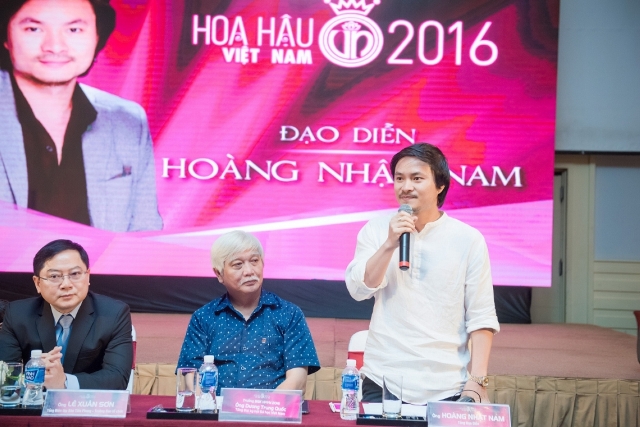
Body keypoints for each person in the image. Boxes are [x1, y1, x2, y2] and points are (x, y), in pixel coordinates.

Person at [345, 143, 500, 404]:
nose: (406, 187)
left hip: (447, 384)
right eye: (399, 178)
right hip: (383, 378)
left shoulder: (468, 239)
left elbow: (481, 315)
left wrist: (477, 380)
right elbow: (359, 289)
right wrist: (389, 243)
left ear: (440, 185)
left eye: (416, 178)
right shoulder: (377, 229)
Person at [0, 0, 162, 232]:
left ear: (97, 37)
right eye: (34, 29)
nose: (55, 46)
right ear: (6, 36)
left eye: (74, 29)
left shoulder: (128, 121)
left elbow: (144, 233)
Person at [177, 230, 320, 392]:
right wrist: (212, 404)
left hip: (272, 407)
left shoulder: (289, 314)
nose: (249, 271)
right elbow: (190, 374)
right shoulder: (203, 317)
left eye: (254, 261)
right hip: (216, 406)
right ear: (219, 273)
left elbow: (297, 380)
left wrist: (262, 405)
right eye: (238, 264)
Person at [0, 239, 133, 390]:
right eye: (54, 276)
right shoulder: (17, 314)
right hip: (37, 402)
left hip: (87, 403)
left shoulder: (114, 314)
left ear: (88, 276)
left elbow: (117, 378)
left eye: (75, 274)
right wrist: (35, 377)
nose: (66, 285)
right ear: (37, 283)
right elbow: (4, 374)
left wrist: (64, 382)